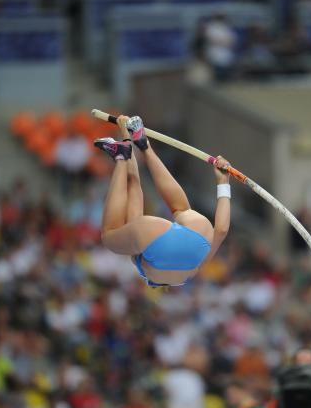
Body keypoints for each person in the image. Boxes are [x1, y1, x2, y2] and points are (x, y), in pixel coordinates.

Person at [94, 115, 231, 288]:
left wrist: (223, 182)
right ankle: (121, 156)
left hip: (198, 238)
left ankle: (145, 146)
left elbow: (221, 230)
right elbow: (134, 192)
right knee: (108, 234)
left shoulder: (194, 270)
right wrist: (124, 138)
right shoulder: (150, 267)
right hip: (153, 236)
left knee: (181, 209)